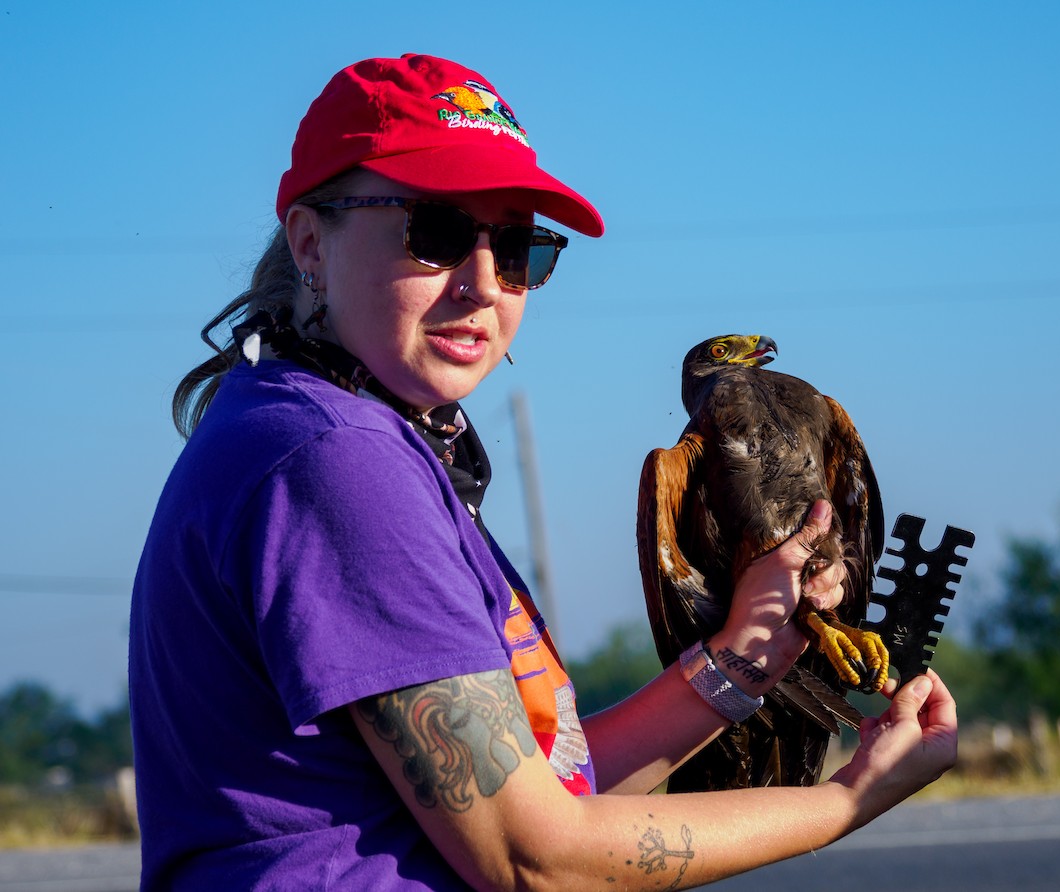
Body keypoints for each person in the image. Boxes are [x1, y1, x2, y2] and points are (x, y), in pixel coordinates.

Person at [128, 53, 956, 890]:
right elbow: (535, 855)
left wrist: (741, 661)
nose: (484, 284)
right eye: (438, 233)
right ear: (312, 242)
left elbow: (536, 789)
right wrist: (849, 799)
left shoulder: (316, 428)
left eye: (519, 247)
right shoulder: (338, 462)